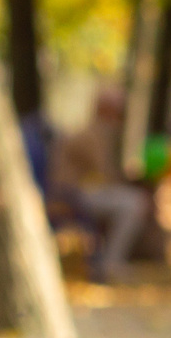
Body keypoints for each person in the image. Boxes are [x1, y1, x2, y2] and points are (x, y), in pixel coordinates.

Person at [52, 85, 151, 283]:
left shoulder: (95, 132)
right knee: (134, 204)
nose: (120, 118)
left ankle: (109, 261)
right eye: (118, 111)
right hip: (72, 195)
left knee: (132, 201)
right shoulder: (92, 134)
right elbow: (104, 174)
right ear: (106, 109)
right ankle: (110, 264)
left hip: (81, 192)